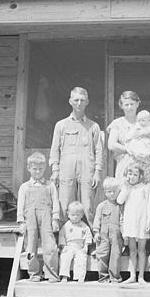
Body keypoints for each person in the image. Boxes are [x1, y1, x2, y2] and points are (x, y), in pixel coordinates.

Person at [49, 86, 104, 224]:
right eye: (76, 100)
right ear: (70, 101)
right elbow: (55, 149)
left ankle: (89, 240)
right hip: (66, 169)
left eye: (82, 100)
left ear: (87, 102)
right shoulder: (61, 125)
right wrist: (55, 170)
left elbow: (99, 150)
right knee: (65, 203)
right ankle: (63, 240)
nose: (79, 103)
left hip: (87, 170)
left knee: (88, 205)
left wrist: (97, 172)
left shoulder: (93, 126)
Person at [16, 152, 60, 283]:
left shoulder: (50, 185)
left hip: (46, 216)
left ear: (44, 168)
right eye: (34, 169)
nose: (37, 171)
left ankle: (51, 274)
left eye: (40, 169)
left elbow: (55, 202)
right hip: (30, 218)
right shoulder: (24, 187)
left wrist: (55, 219)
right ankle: (34, 273)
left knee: (50, 246)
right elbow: (20, 205)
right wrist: (21, 222)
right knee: (31, 246)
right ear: (29, 168)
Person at [107, 91, 150, 182]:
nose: (129, 107)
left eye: (132, 104)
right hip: (126, 166)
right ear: (121, 106)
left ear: (137, 104)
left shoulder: (146, 121)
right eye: (126, 105)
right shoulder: (117, 123)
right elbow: (111, 144)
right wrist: (131, 150)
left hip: (145, 165)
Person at [116, 163, 150, 284]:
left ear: (140, 176)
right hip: (130, 222)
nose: (132, 176)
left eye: (135, 174)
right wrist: (126, 186)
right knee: (132, 250)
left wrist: (149, 222)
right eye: (130, 174)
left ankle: (141, 275)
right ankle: (132, 275)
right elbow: (119, 200)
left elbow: (149, 205)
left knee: (141, 250)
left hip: (142, 221)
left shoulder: (145, 188)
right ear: (126, 175)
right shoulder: (126, 188)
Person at [92, 177, 124, 283]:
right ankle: (103, 276)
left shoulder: (120, 206)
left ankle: (114, 276)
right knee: (102, 254)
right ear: (105, 192)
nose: (112, 194)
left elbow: (122, 220)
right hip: (103, 234)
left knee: (115, 254)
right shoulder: (101, 206)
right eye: (109, 192)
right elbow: (97, 219)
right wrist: (96, 232)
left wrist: (124, 235)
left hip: (116, 234)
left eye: (114, 191)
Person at [58, 201, 93, 283]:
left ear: (82, 215)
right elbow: (62, 235)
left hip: (80, 246)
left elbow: (88, 236)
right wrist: (63, 245)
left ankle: (80, 277)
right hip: (69, 246)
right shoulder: (66, 225)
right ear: (68, 214)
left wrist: (86, 246)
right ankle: (64, 276)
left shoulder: (84, 226)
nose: (75, 217)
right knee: (65, 258)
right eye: (72, 215)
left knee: (81, 259)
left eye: (78, 215)